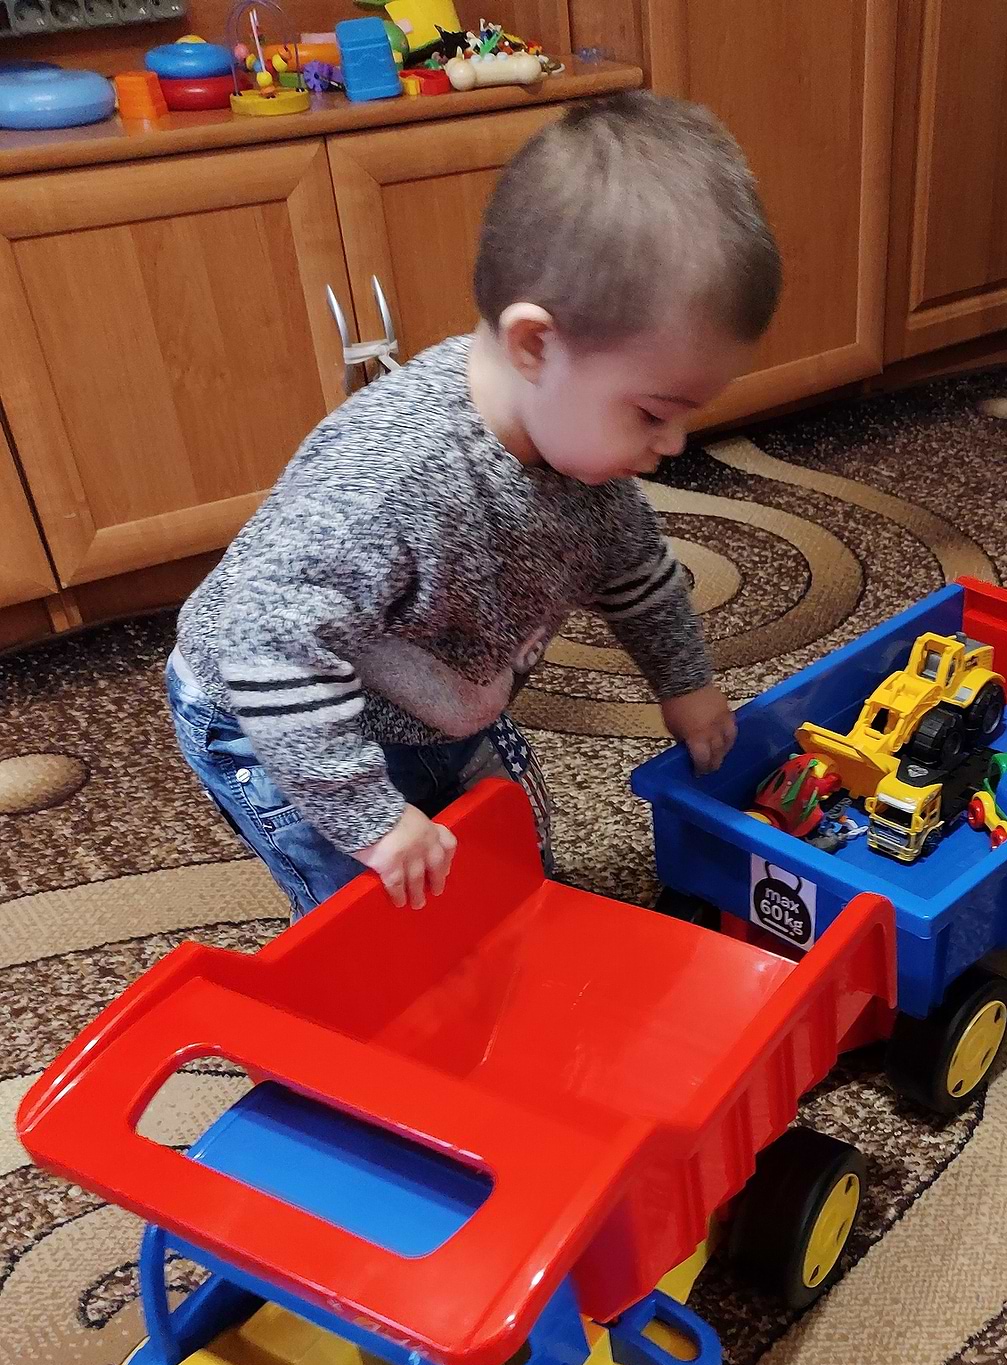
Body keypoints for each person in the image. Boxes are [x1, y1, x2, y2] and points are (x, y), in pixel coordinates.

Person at [166, 90, 780, 916]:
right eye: (652, 413)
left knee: (509, 865)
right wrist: (372, 820)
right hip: (272, 705)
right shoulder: (392, 481)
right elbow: (270, 651)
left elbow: (637, 573)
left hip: (433, 687)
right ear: (535, 345)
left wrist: (686, 683)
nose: (671, 443)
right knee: (379, 921)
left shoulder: (587, 463)